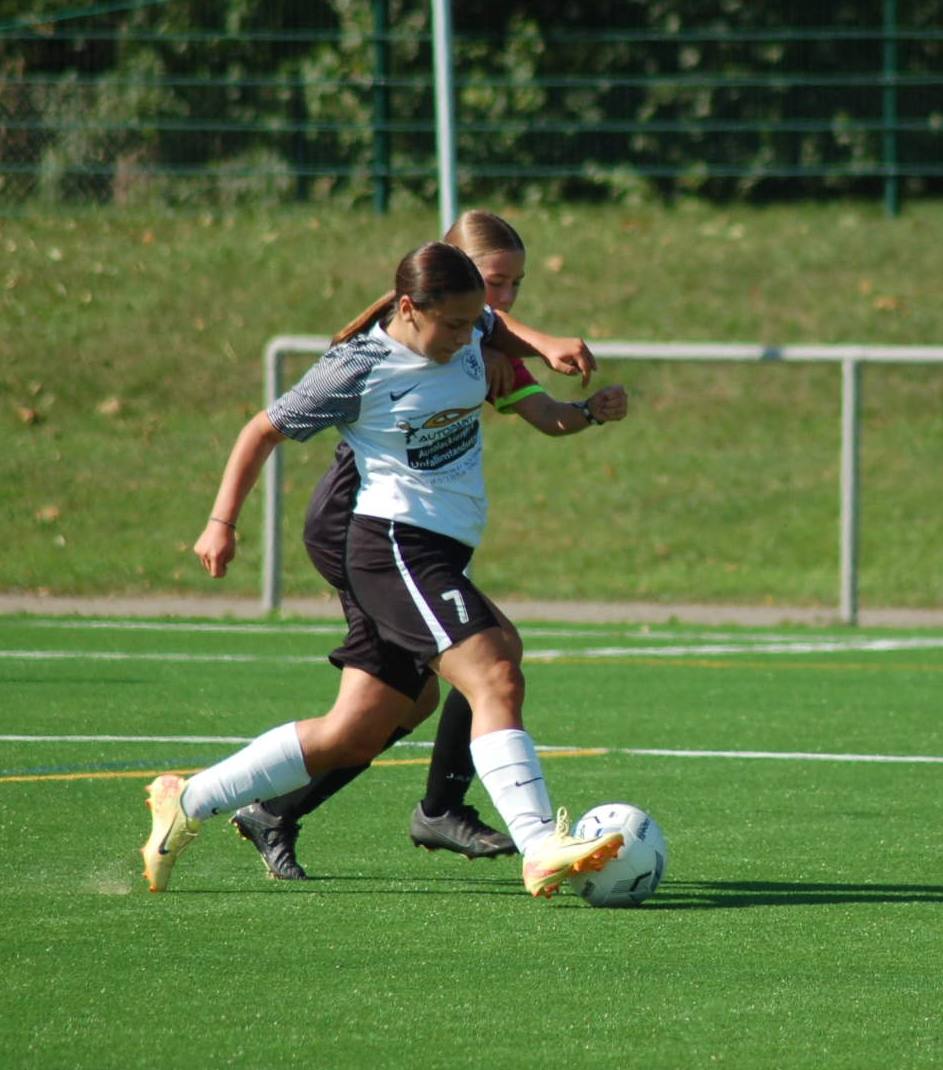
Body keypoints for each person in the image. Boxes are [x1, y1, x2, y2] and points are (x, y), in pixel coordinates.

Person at [141, 240, 623, 898]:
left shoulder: (470, 327)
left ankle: (188, 800)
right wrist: (221, 522)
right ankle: (539, 846)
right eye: (453, 325)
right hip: (395, 547)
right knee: (495, 670)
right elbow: (262, 430)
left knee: (354, 732)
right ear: (408, 308)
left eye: (472, 323)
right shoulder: (358, 368)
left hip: (435, 552)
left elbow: (497, 326)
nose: (467, 337)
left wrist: (545, 350)